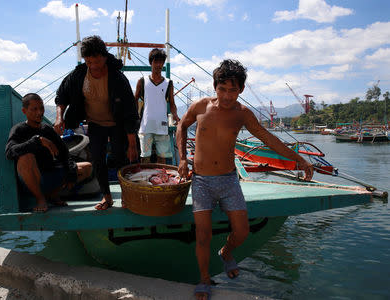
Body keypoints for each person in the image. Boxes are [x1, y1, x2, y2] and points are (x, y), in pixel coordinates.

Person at [176, 59, 313, 300]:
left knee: (242, 231)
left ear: (241, 90)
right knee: (203, 234)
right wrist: (182, 158)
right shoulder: (201, 106)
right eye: (222, 89)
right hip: (202, 181)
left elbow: (269, 139)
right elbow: (181, 125)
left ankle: (226, 253)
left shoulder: (243, 114)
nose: (227, 96)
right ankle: (205, 279)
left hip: (229, 180)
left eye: (233, 90)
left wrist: (299, 159)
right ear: (215, 87)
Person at [54, 35, 139, 210]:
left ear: (105, 57)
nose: (94, 66)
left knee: (120, 158)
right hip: (95, 124)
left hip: (117, 125)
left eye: (97, 61)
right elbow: (62, 96)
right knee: (98, 160)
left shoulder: (118, 78)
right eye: (89, 62)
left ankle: (127, 197)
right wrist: (59, 117)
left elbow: (130, 112)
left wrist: (132, 144)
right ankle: (107, 198)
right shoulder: (78, 75)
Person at [5, 93, 92, 212]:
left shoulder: (47, 129)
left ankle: (52, 194)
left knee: (87, 167)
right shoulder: (19, 129)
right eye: (34, 109)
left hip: (50, 176)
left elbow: (64, 153)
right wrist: (36, 141)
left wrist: (71, 173)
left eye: (41, 108)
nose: (39, 112)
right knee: (26, 157)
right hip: (32, 180)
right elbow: (10, 152)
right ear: (24, 111)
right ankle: (40, 199)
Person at [134, 48, 179, 164]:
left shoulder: (168, 83)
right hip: (145, 126)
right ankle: (145, 181)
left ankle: (160, 181)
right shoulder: (142, 81)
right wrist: (134, 118)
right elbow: (134, 100)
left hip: (162, 127)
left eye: (161, 62)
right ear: (151, 62)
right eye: (156, 61)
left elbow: (172, 104)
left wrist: (176, 116)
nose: (158, 65)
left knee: (162, 159)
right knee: (145, 158)